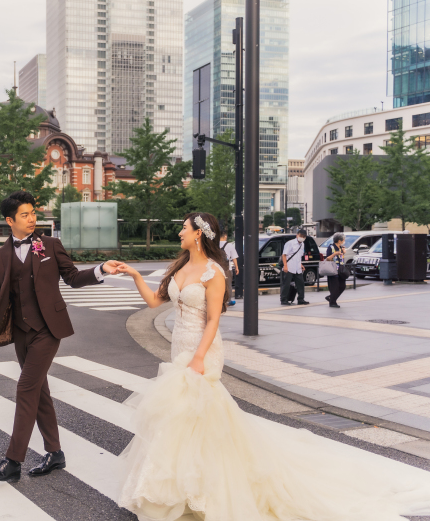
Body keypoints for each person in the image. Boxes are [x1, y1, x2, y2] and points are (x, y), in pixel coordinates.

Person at [114, 212, 430, 520]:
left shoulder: (214, 272)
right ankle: (182, 488)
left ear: (199, 233)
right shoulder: (181, 266)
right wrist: (135, 275)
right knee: (182, 418)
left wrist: (198, 358)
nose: (179, 232)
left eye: (183, 228)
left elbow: (213, 321)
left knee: (199, 414)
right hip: (179, 347)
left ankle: (202, 490)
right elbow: (156, 302)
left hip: (202, 349)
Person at [0, 190, 120, 482]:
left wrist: (101, 270)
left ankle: (12, 460)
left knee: (26, 388)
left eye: (33, 213)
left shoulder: (50, 245)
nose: (32, 219)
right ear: (9, 220)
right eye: (25, 215)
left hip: (47, 330)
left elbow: (73, 278)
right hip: (19, 332)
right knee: (39, 392)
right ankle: (55, 454)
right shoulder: (1, 255)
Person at [280, 229, 310, 306]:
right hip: (289, 266)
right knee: (286, 284)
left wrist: (301, 265)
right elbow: (284, 255)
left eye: (304, 237)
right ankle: (283, 299)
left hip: (297, 268)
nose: (302, 238)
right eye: (301, 236)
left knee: (301, 283)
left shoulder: (302, 244)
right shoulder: (290, 243)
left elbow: (298, 257)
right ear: (297, 235)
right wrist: (285, 266)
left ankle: (301, 299)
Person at [326, 232, 348, 308]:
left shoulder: (341, 248)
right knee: (334, 287)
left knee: (342, 286)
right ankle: (332, 302)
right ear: (339, 240)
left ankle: (331, 297)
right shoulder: (331, 247)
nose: (344, 241)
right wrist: (335, 254)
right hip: (333, 271)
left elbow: (341, 259)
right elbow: (328, 258)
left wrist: (343, 253)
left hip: (340, 271)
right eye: (343, 240)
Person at [219, 231, 239, 306]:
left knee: (218, 285)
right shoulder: (229, 245)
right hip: (227, 268)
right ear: (225, 236)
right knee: (228, 285)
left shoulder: (214, 244)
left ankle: (219, 300)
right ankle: (228, 300)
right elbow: (234, 257)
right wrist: (236, 267)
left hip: (216, 268)